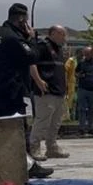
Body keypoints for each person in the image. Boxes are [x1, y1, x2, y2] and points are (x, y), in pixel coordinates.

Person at [0, 3, 53, 179]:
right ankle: (27, 166)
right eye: (26, 20)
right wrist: (32, 38)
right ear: (21, 19)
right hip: (9, 91)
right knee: (18, 129)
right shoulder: (13, 38)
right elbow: (32, 56)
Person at [28, 25, 70, 160]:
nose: (64, 37)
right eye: (62, 34)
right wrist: (38, 81)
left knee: (55, 123)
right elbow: (31, 63)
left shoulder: (59, 49)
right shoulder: (42, 46)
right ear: (52, 33)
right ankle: (34, 148)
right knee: (42, 122)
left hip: (59, 92)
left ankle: (52, 148)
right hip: (46, 92)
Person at [63, 50, 77, 122]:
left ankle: (74, 116)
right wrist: (65, 83)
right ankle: (69, 116)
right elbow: (66, 70)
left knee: (74, 100)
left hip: (77, 84)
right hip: (71, 83)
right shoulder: (71, 60)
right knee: (70, 100)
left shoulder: (82, 60)